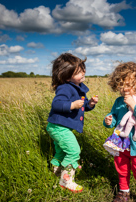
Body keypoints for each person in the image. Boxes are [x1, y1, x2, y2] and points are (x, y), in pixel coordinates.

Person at [46, 53, 98, 193]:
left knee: (62, 151)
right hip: (58, 127)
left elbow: (82, 106)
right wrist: (72, 105)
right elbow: (57, 104)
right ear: (67, 75)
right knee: (74, 151)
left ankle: (56, 169)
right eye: (79, 71)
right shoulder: (65, 88)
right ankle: (66, 181)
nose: (83, 73)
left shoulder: (78, 87)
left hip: (59, 126)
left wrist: (90, 104)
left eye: (83, 69)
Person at [103, 62, 136, 202]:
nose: (124, 89)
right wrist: (109, 121)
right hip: (121, 143)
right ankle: (124, 192)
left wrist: (134, 105)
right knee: (122, 168)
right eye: (121, 85)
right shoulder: (119, 101)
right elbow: (115, 116)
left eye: (128, 85)